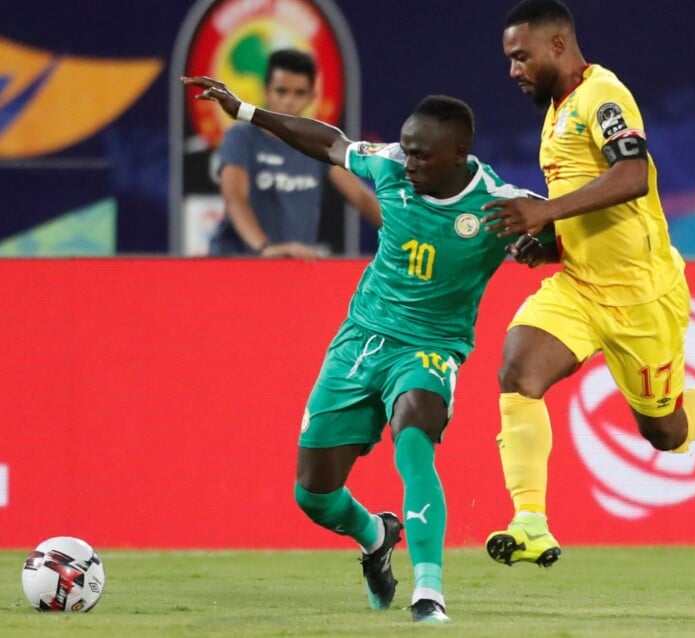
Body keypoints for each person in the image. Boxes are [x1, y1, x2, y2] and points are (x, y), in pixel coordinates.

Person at [181, 74, 543, 622]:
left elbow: (573, 232)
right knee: (314, 495)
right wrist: (246, 112)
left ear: (458, 154)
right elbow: (329, 143)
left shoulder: (500, 206)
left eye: (422, 154)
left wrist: (542, 242)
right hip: (361, 339)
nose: (409, 161)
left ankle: (429, 594)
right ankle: (376, 536)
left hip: (431, 347)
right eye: (406, 148)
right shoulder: (390, 165)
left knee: (414, 434)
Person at [479, 0, 695, 568]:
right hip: (580, 287)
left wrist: (545, 212)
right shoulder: (556, 111)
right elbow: (594, 211)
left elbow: (633, 175)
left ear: (557, 45)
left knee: (665, 432)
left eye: (521, 56)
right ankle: (530, 523)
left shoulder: (603, 96)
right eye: (509, 59)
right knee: (517, 371)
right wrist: (550, 243)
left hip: (642, 296)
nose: (514, 70)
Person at [209, 49, 381, 258]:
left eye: (299, 93)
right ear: (266, 91)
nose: (289, 101)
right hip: (237, 263)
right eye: (281, 91)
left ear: (312, 97)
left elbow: (361, 197)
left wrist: (411, 233)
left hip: (293, 264)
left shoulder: (319, 143)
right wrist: (265, 249)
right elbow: (235, 198)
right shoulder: (241, 137)